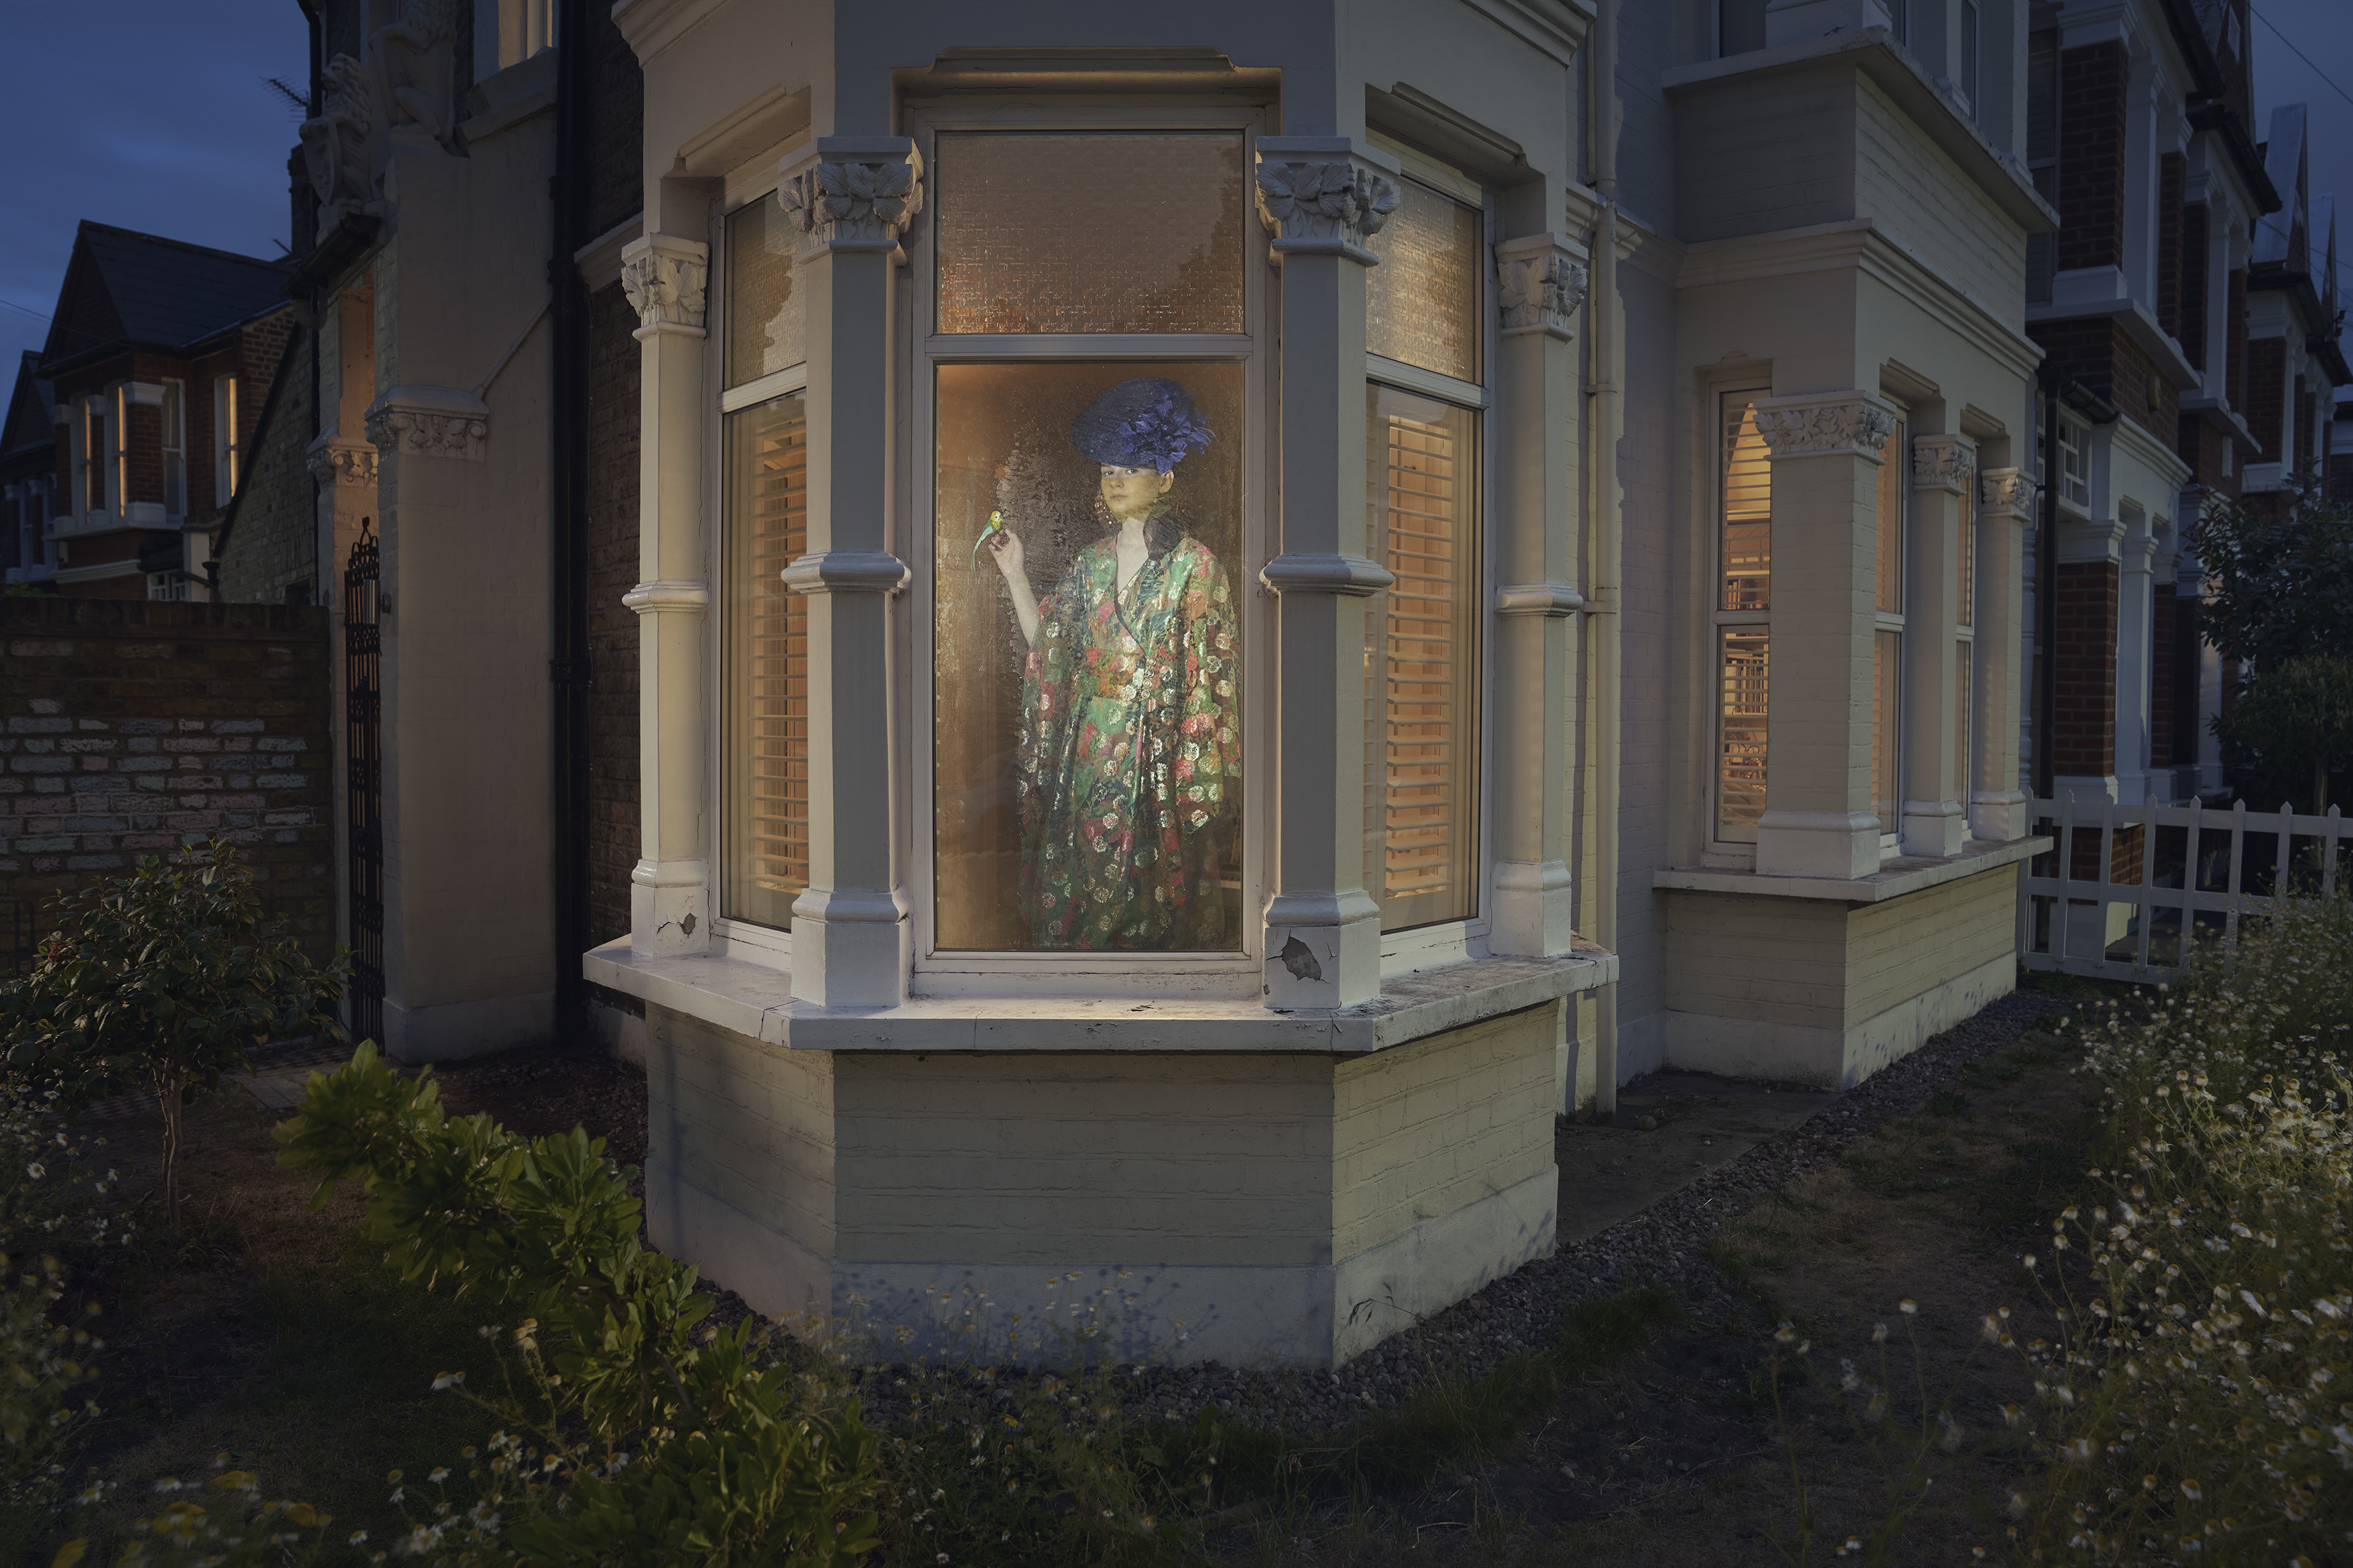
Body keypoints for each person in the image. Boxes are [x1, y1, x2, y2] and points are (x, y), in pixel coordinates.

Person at [985, 377, 1240, 949]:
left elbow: (1212, 684)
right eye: (1107, 471)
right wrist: (1015, 574)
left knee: (1150, 897)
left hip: (1156, 757)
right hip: (1089, 747)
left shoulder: (1196, 570)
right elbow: (1048, 655)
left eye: (1129, 469)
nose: (1115, 482)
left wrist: (1192, 774)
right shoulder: (1090, 565)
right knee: (1083, 877)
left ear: (1166, 478)